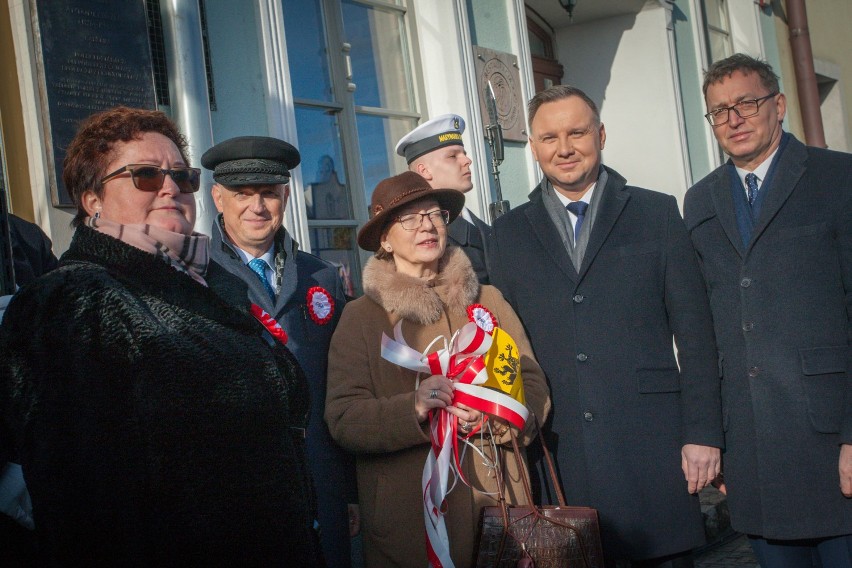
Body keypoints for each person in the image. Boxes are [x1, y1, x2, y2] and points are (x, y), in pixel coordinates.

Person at [0, 107, 321, 565]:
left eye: (182, 176)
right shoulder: (72, 300)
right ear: (92, 200)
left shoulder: (207, 285)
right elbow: (83, 507)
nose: (170, 187)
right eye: (145, 175)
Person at [489, 85, 723, 566]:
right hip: (558, 455)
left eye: (577, 132)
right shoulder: (506, 235)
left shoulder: (656, 212)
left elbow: (696, 333)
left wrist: (704, 433)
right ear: (532, 148)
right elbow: (503, 346)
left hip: (652, 452)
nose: (565, 148)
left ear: (601, 134)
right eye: (549, 137)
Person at [325, 171, 550, 567]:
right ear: (383, 239)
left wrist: (498, 417)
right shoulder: (360, 318)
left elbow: (530, 379)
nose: (426, 225)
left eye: (434, 213)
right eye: (409, 218)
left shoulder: (488, 299)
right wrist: (412, 408)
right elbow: (344, 416)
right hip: (406, 521)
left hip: (500, 507)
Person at [684, 53, 852, 567]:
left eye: (747, 103)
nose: (733, 120)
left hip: (831, 443)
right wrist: (712, 434)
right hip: (754, 450)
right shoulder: (700, 200)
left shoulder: (837, 178)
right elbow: (704, 329)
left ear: (778, 105)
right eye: (719, 111)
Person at [202, 135, 358, 568]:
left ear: (285, 196)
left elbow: (340, 391)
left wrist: (348, 492)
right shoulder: (194, 281)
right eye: (242, 194)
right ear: (218, 197)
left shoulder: (323, 277)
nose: (257, 206)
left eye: (268, 193)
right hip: (241, 494)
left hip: (323, 487)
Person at [396, 114, 492, 283]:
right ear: (424, 170)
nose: (467, 160)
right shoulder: (422, 238)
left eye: (464, 153)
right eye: (452, 156)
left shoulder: (480, 226)